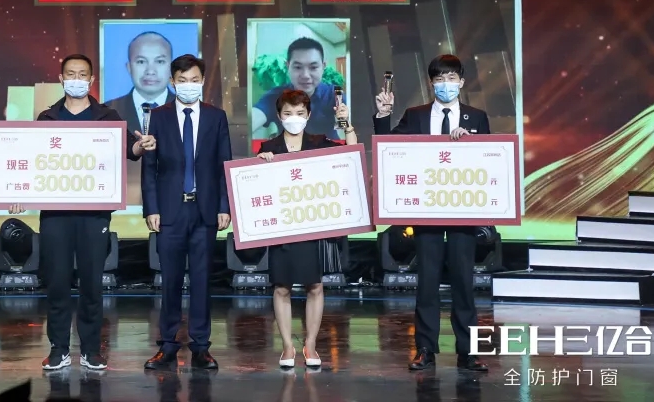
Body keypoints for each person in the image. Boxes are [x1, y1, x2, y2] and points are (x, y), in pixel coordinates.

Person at [9, 54, 154, 372]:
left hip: (94, 214)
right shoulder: (47, 118)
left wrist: (140, 146)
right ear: (61, 79)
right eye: (70, 74)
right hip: (55, 215)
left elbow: (128, 150)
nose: (77, 79)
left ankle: (91, 349)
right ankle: (58, 349)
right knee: (57, 282)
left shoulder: (107, 116)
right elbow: (32, 162)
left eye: (82, 74)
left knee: (92, 284)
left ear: (91, 80)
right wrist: (15, 192)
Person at [373, 54, 490, 373]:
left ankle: (469, 351)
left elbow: (489, 160)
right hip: (427, 208)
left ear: (461, 82)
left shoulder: (477, 117)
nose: (445, 84)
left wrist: (472, 144)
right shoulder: (416, 115)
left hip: (463, 209)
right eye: (440, 79)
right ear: (431, 83)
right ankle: (425, 348)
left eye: (451, 78)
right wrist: (383, 115)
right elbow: (387, 146)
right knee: (427, 281)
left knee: (464, 282)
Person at [141, 54, 231, 371]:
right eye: (182, 80)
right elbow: (149, 168)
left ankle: (201, 347)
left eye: (194, 80)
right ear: (172, 82)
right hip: (170, 210)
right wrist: (151, 208)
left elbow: (223, 165)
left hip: (205, 211)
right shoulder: (158, 117)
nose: (188, 85)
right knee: (170, 281)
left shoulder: (216, 117)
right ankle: (167, 345)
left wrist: (224, 206)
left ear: (202, 81)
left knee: (202, 281)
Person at [255, 89, 357, 369]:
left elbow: (350, 155)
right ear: (279, 116)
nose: (294, 118)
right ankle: (287, 346)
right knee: (281, 287)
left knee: (315, 285)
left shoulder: (319, 143)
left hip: (314, 226)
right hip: (282, 227)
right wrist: (260, 164)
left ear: (309, 115)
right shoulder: (269, 147)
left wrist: (347, 124)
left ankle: (310, 344)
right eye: (288, 113)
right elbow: (256, 186)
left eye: (300, 113)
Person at [105, 31, 173, 204]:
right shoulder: (107, 112)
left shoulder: (188, 111)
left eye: (160, 61)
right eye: (141, 61)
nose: (150, 71)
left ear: (170, 67)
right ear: (129, 67)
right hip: (123, 202)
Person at [252, 38, 339, 139]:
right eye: (298, 67)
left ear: (323, 67)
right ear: (288, 66)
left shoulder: (334, 93)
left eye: (313, 67)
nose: (305, 75)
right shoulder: (276, 96)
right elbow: (253, 117)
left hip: (330, 148)